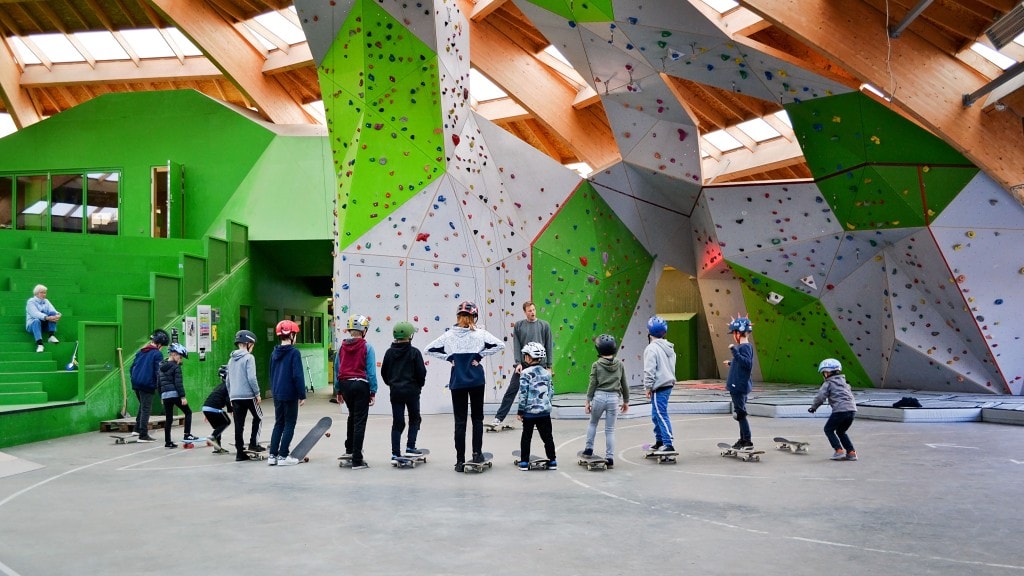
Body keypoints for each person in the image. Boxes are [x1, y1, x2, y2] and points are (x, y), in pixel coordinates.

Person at [425, 301, 505, 472]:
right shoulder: (480, 334)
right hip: (477, 381)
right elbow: (500, 344)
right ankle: (477, 453)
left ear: (458, 316)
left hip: (457, 382)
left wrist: (450, 358)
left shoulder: (449, 335)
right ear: (474, 317)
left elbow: (429, 349)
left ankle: (459, 461)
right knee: (477, 419)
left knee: (459, 422)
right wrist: (480, 355)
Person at [492, 301, 553, 427]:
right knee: (512, 390)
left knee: (540, 391)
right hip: (524, 364)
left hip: (539, 364)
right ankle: (499, 417)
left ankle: (539, 420)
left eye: (534, 310)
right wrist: (518, 363)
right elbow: (517, 345)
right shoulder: (519, 325)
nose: (532, 312)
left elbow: (548, 345)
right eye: (529, 310)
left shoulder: (544, 325)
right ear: (525, 312)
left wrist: (549, 366)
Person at [334, 314, 378, 470]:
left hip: (345, 385)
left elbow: (337, 369)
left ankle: (349, 449)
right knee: (360, 421)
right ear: (364, 330)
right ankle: (357, 459)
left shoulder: (342, 347)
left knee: (352, 416)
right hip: (361, 385)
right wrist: (373, 391)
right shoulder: (367, 347)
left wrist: (338, 390)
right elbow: (371, 371)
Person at [381, 321, 427, 462]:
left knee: (398, 422)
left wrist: (392, 384)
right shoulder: (414, 352)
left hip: (396, 393)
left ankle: (395, 453)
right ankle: (410, 447)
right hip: (412, 392)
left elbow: (384, 372)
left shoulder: (389, 353)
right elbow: (421, 372)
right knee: (414, 418)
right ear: (410, 336)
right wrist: (419, 385)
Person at [583, 334, 629, 468]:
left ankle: (589, 449)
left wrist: (588, 401)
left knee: (593, 423)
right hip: (614, 399)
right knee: (610, 430)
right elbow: (624, 383)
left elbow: (592, 384)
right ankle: (609, 457)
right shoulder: (619, 364)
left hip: (599, 397)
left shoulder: (596, 365)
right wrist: (626, 401)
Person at [268, 320, 307, 466]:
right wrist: (302, 394)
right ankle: (283, 456)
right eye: (295, 334)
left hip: (277, 393)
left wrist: (274, 390)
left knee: (279, 423)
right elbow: (297, 375)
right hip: (290, 393)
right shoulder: (294, 353)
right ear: (291, 335)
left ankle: (272, 455)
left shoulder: (274, 353)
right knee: (290, 423)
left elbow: (271, 373)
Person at [808, 358, 858, 461]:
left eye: (823, 373)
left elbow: (820, 396)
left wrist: (813, 407)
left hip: (840, 410)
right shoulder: (844, 383)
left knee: (828, 429)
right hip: (852, 410)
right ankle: (851, 452)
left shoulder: (828, 383)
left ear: (826, 372)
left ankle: (838, 451)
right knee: (841, 431)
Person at [516, 342, 556, 470]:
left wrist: (520, 411)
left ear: (528, 357)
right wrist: (546, 404)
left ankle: (523, 462)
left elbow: (523, 393)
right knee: (547, 437)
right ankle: (552, 461)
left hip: (529, 413)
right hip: (544, 412)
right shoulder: (547, 373)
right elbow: (551, 391)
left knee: (526, 437)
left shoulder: (525, 373)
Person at [226, 329, 263, 462]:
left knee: (239, 424)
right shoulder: (249, 357)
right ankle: (253, 443)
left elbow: (228, 380)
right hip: (248, 395)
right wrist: (257, 393)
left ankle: (239, 453)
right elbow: (252, 378)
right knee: (259, 417)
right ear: (248, 344)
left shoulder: (231, 359)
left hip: (235, 396)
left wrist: (231, 396)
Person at [643, 315, 677, 454]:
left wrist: (648, 387)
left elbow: (649, 370)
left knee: (661, 414)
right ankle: (660, 441)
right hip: (667, 383)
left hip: (659, 385)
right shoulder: (669, 347)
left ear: (650, 332)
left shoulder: (651, 349)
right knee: (655, 414)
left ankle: (668, 443)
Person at [129, 329, 169, 442]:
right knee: (146, 408)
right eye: (163, 346)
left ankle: (136, 429)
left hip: (136, 383)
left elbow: (131, 368)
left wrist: (134, 379)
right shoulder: (157, 354)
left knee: (142, 405)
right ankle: (143, 435)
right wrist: (160, 388)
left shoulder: (141, 351)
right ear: (159, 344)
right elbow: (158, 372)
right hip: (147, 384)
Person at [158, 343, 198, 448]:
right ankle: (187, 435)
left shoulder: (161, 366)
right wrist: (183, 397)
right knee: (188, 412)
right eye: (180, 357)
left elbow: (158, 383)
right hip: (175, 394)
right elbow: (178, 383)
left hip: (165, 395)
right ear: (174, 354)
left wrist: (161, 396)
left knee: (169, 418)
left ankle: (168, 442)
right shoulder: (176, 367)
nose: (181, 360)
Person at [724, 316, 755, 449]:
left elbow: (747, 364)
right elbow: (741, 362)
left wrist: (734, 351)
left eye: (734, 333)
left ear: (738, 333)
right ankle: (743, 439)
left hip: (739, 386)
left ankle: (746, 440)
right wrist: (732, 362)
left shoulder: (744, 347)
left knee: (740, 414)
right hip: (738, 385)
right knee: (739, 412)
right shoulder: (743, 347)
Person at [202, 364, 232, 453]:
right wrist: (231, 410)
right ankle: (212, 437)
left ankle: (217, 448)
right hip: (213, 408)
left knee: (219, 426)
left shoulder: (220, 386)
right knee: (226, 422)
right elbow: (227, 399)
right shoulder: (227, 386)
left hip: (206, 408)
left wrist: (207, 413)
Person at [25, 284, 61, 353]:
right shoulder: (30, 302)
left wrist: (58, 315)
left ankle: (51, 336)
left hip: (43, 324)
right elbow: (35, 314)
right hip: (32, 325)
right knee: (36, 320)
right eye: (42, 292)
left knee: (53, 313)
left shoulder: (46, 301)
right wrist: (47, 317)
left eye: (45, 293)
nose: (44, 294)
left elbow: (52, 310)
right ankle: (40, 344)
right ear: (36, 293)